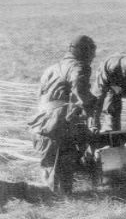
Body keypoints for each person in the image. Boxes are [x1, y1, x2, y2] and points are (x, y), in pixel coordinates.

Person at [28, 35, 98, 195]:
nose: (93, 58)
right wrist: (93, 106)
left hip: (41, 123)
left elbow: (43, 97)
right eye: (92, 53)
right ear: (85, 52)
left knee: (55, 165)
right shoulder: (79, 66)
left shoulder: (50, 69)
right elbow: (81, 92)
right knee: (60, 188)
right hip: (57, 125)